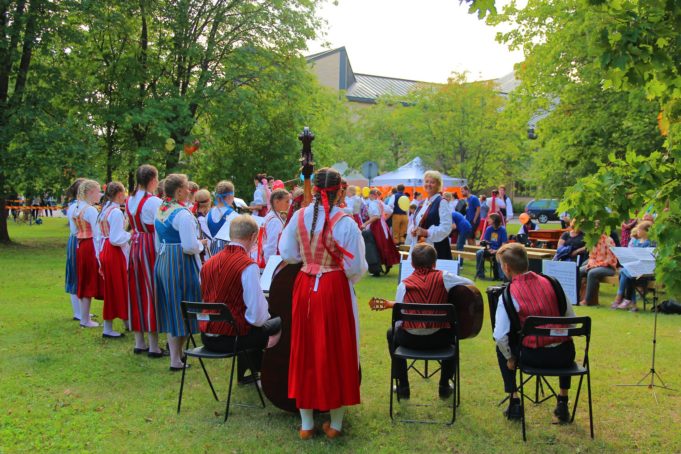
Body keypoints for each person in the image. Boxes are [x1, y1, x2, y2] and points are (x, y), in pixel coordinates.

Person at [279, 167, 367, 440]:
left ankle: (307, 424)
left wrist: (310, 262)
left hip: (305, 286)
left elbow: (287, 253)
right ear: (339, 190)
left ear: (314, 190)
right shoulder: (347, 223)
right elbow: (356, 267)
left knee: (304, 349)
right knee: (337, 349)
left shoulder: (299, 216)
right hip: (334, 287)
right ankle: (335, 424)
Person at [493, 243, 577, 423]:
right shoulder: (553, 283)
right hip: (564, 356)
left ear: (506, 268)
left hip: (532, 357)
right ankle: (563, 401)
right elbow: (570, 319)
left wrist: (510, 357)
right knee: (565, 341)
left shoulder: (508, 294)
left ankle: (515, 402)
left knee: (501, 348)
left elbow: (500, 336)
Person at [384, 243, 473, 399]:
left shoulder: (403, 285)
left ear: (411, 264)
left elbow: (400, 317)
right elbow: (470, 285)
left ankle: (403, 387)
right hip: (440, 340)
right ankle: (444, 385)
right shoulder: (445, 277)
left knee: (391, 333)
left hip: (409, 341)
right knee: (455, 333)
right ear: (435, 263)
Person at [200, 215, 282, 376]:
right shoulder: (247, 265)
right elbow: (257, 318)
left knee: (254, 323)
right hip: (232, 339)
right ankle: (268, 374)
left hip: (207, 336)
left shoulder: (208, 263)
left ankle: (252, 371)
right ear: (253, 237)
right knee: (281, 322)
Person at [155, 173, 206, 371]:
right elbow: (189, 246)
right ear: (178, 191)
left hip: (165, 258)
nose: (189, 191)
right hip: (180, 263)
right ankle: (176, 358)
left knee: (172, 306)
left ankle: (177, 356)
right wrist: (201, 245)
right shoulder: (182, 214)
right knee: (184, 306)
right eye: (186, 188)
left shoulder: (162, 209)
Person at [126, 164, 164, 357]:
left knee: (136, 291)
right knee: (151, 292)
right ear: (152, 180)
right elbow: (158, 229)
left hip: (136, 245)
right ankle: (154, 345)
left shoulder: (130, 199)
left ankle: (139, 341)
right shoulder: (153, 201)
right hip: (149, 245)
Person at [97, 182, 130, 338]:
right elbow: (116, 238)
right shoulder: (115, 212)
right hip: (114, 251)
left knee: (115, 288)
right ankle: (109, 327)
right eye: (124, 193)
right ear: (119, 194)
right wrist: (131, 234)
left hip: (105, 249)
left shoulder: (105, 210)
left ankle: (126, 321)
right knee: (117, 287)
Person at [73, 179, 103, 328]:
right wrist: (99, 254)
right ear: (91, 192)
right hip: (90, 245)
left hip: (81, 245)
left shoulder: (78, 208)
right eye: (98, 191)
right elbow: (97, 234)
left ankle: (84, 316)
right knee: (89, 279)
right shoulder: (90, 210)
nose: (100, 195)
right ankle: (85, 319)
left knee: (84, 278)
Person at [406, 171, 453, 260]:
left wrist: (427, 232)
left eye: (432, 182)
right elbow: (415, 223)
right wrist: (413, 230)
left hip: (435, 249)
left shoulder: (442, 202)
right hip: (419, 248)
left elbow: (446, 227)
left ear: (438, 185)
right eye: (427, 181)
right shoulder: (422, 203)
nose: (429, 184)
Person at [612, 221, 653, 311]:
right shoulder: (636, 241)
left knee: (626, 273)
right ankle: (631, 303)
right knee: (627, 274)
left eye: (639, 230)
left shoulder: (649, 243)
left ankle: (622, 298)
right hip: (635, 269)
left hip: (644, 271)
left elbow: (647, 258)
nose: (637, 231)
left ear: (646, 231)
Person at [362, 189, 400, 270]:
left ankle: (378, 264)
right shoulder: (380, 202)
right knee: (384, 243)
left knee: (376, 244)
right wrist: (384, 219)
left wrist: (365, 223)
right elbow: (390, 211)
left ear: (371, 195)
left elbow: (376, 216)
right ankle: (386, 262)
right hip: (382, 224)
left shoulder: (373, 203)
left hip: (376, 225)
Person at [64, 178, 86, 322]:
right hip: (76, 240)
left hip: (78, 239)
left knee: (80, 275)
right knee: (74, 276)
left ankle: (82, 311)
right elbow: (75, 228)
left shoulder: (78, 206)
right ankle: (77, 312)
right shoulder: (74, 207)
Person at [578, 232, 617, 306]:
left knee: (592, 273)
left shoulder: (609, 240)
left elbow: (609, 260)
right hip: (595, 265)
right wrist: (591, 264)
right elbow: (591, 257)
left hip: (608, 267)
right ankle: (576, 297)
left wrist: (595, 265)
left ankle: (587, 301)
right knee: (579, 271)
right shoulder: (593, 240)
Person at [257, 188, 289, 268]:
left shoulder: (271, 216)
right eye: (287, 201)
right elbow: (271, 246)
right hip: (270, 262)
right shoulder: (275, 221)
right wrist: (271, 267)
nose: (289, 204)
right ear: (277, 202)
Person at [207, 181, 238, 256]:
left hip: (211, 254)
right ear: (230, 196)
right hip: (227, 255)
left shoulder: (208, 214)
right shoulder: (234, 216)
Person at [475, 213, 507, 280]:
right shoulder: (489, 229)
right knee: (479, 253)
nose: (488, 220)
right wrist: (489, 248)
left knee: (498, 255)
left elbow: (504, 245)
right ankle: (480, 274)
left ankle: (500, 276)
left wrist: (496, 250)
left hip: (499, 250)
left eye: (489, 219)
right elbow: (486, 241)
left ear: (494, 220)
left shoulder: (502, 230)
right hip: (490, 249)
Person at [193, 189, 213, 262]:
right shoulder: (201, 219)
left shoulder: (193, 214)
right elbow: (209, 242)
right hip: (202, 258)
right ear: (209, 202)